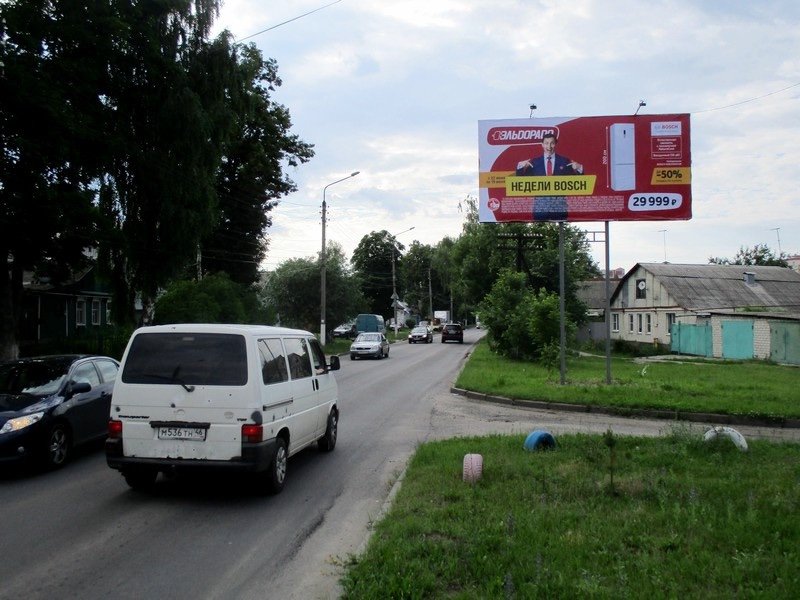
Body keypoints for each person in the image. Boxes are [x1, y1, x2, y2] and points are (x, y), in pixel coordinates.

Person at [515, 132, 583, 176]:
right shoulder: (533, 163)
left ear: (555, 144)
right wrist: (520, 167)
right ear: (542, 145)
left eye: (552, 143)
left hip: (559, 195)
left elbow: (577, 183)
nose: (549, 146)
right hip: (540, 195)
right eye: (546, 143)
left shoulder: (565, 161)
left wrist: (579, 168)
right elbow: (521, 182)